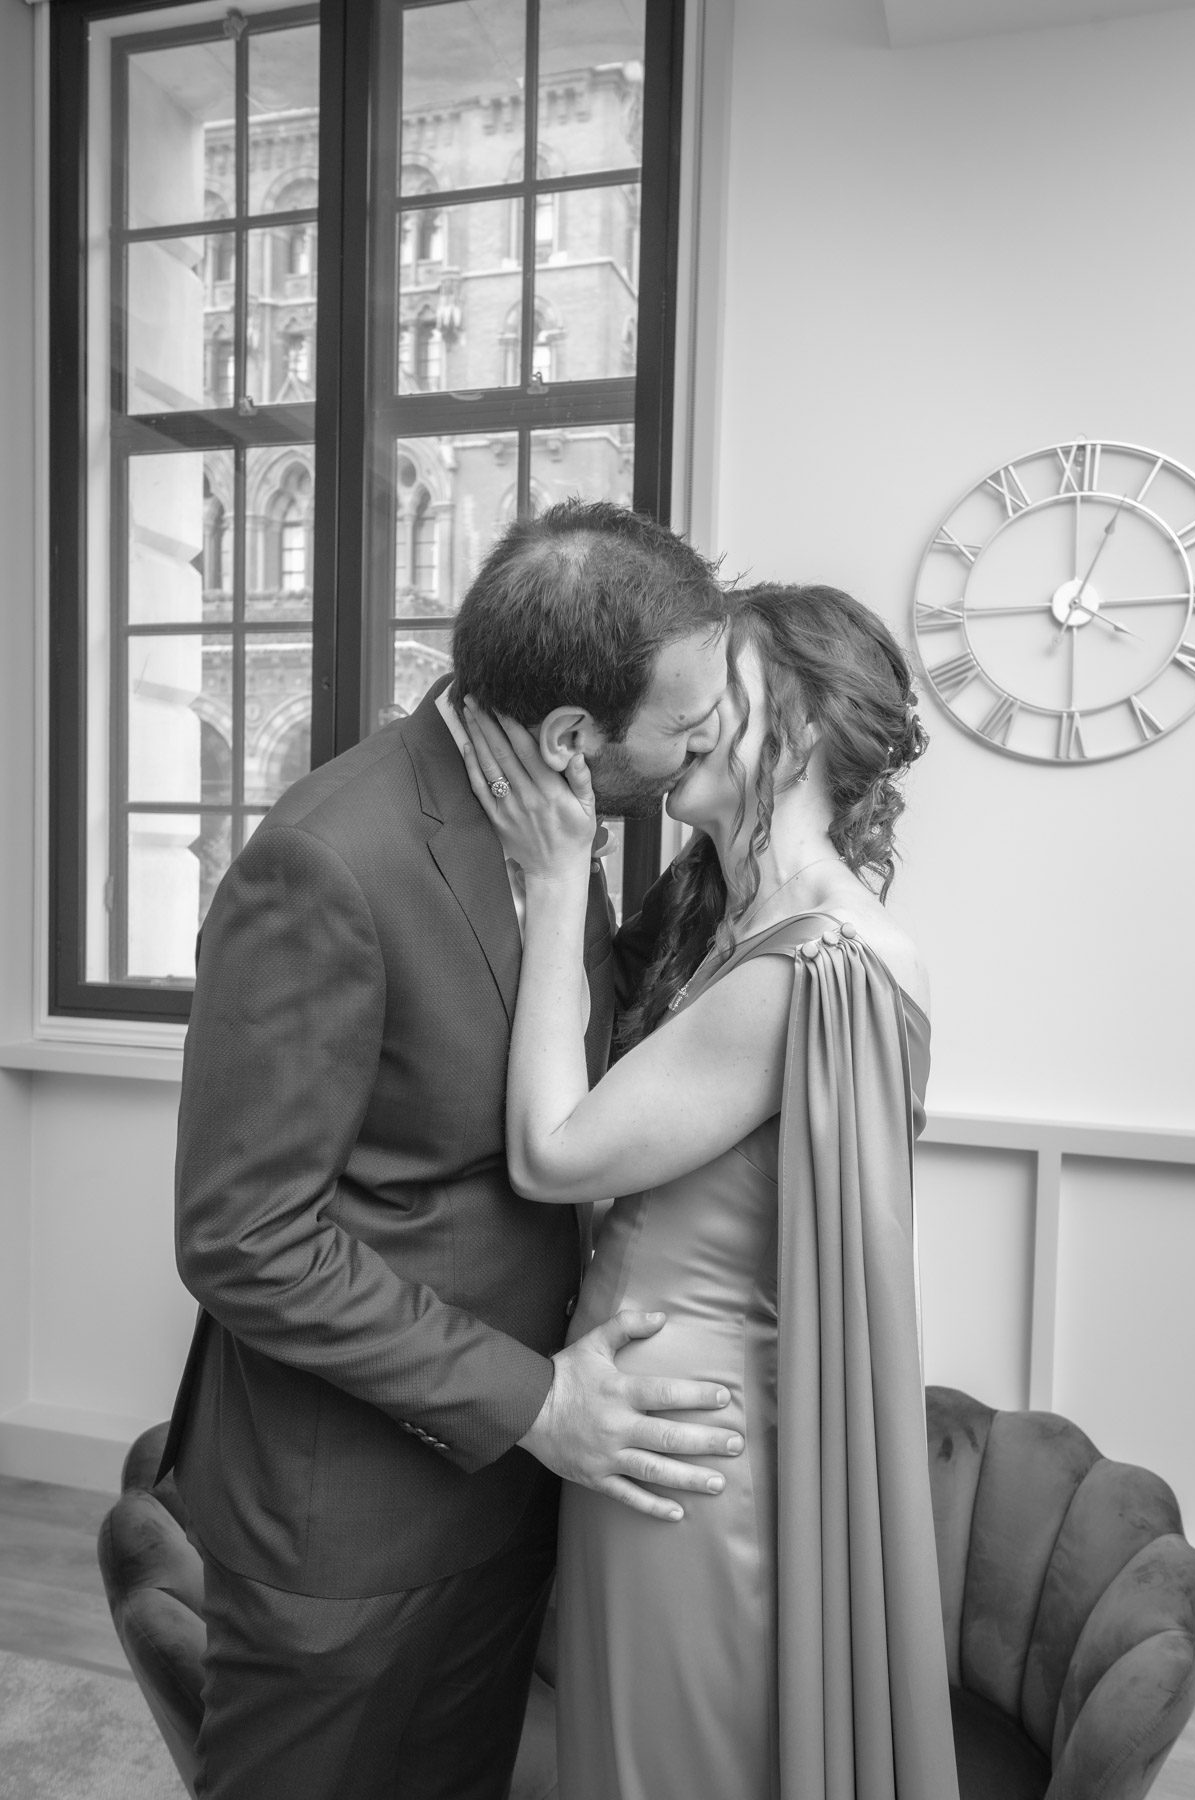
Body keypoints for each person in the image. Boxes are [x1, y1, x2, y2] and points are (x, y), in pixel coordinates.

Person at [158, 499, 746, 1800]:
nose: (708, 748)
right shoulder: (328, 862)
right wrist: (540, 1405)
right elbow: (244, 1241)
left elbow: (565, 1068)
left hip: (511, 1492)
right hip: (347, 1526)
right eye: (690, 729)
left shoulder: (561, 828)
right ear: (573, 737)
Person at [461, 581, 961, 1800]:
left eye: (704, 697)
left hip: (683, 1446)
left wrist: (554, 878)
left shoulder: (810, 963)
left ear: (783, 718)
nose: (671, 722)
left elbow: (552, 1152)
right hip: (662, 1424)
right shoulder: (743, 924)